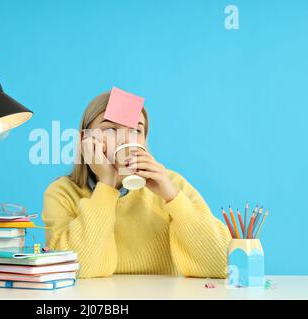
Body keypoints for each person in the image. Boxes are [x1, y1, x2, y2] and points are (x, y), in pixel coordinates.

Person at [42, 91, 231, 278]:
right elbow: (77, 270)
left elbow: (225, 265)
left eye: (136, 130)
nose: (126, 140)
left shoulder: (172, 184)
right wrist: (106, 184)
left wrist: (172, 197)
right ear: (85, 139)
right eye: (110, 129)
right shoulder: (62, 193)